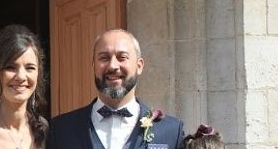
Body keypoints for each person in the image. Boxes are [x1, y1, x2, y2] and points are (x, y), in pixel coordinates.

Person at [47, 28, 185, 149]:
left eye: (122, 57)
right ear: (94, 65)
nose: (113, 66)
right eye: (104, 58)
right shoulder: (61, 130)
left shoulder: (171, 131)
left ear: (139, 66)